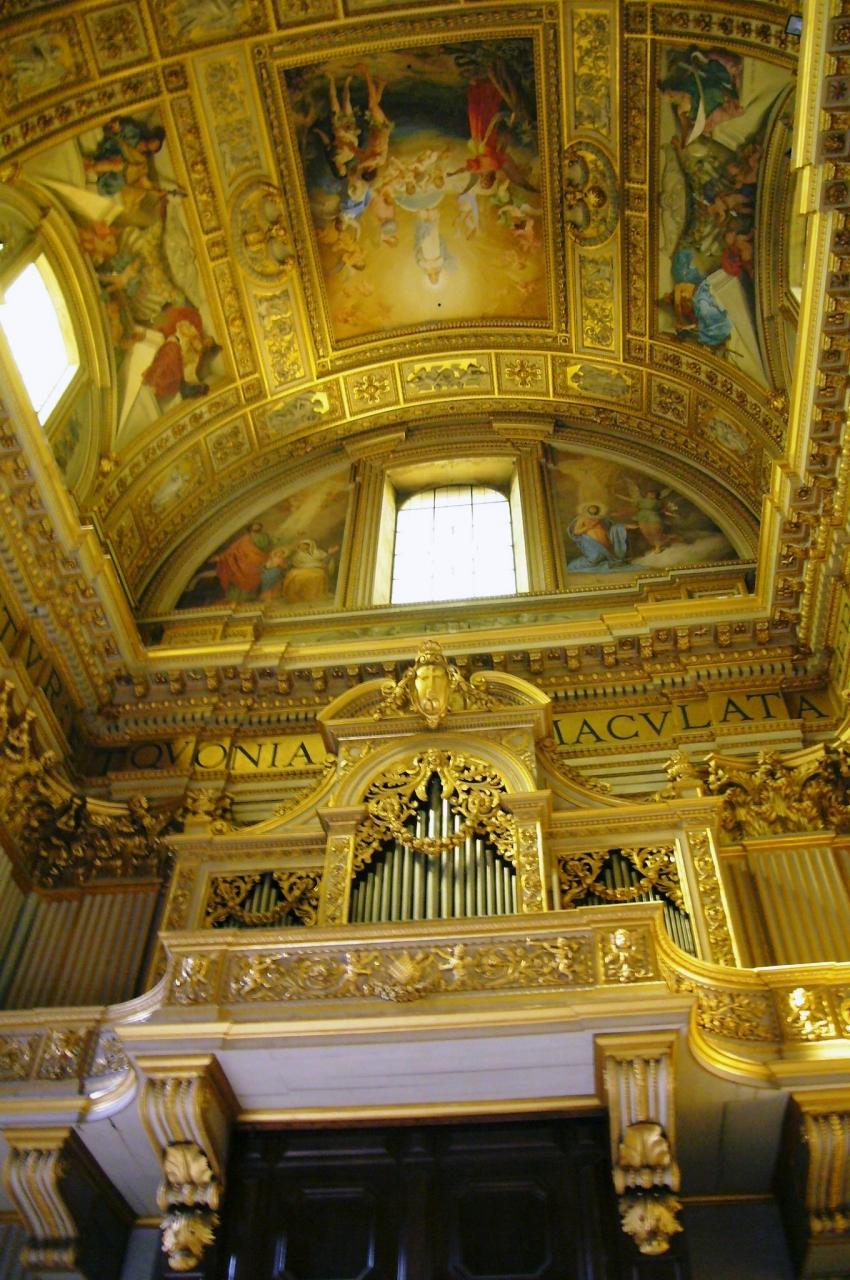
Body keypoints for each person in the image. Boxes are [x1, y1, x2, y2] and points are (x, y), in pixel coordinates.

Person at [213, 523, 270, 599]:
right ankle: (239, 597)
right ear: (250, 528)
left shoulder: (264, 537)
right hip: (243, 562)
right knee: (237, 573)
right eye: (254, 526)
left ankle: (252, 596)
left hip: (258, 560)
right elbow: (233, 548)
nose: (256, 527)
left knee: (257, 574)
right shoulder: (245, 538)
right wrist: (221, 557)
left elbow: (266, 547)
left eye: (258, 526)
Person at [567, 505, 632, 572]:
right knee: (595, 559)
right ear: (587, 509)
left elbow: (612, 528)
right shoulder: (582, 518)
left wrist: (623, 526)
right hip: (592, 543)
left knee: (609, 559)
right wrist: (589, 526)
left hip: (606, 542)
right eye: (591, 508)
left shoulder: (601, 518)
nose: (593, 510)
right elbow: (576, 532)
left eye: (595, 509)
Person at [281, 539, 338, 603]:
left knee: (318, 575)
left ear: (310, 545)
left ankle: (314, 595)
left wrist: (329, 554)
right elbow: (295, 563)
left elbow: (325, 561)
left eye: (305, 545)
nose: (303, 547)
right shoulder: (297, 555)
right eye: (301, 545)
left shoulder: (318, 552)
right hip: (301, 569)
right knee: (295, 576)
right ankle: (296, 595)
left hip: (317, 569)